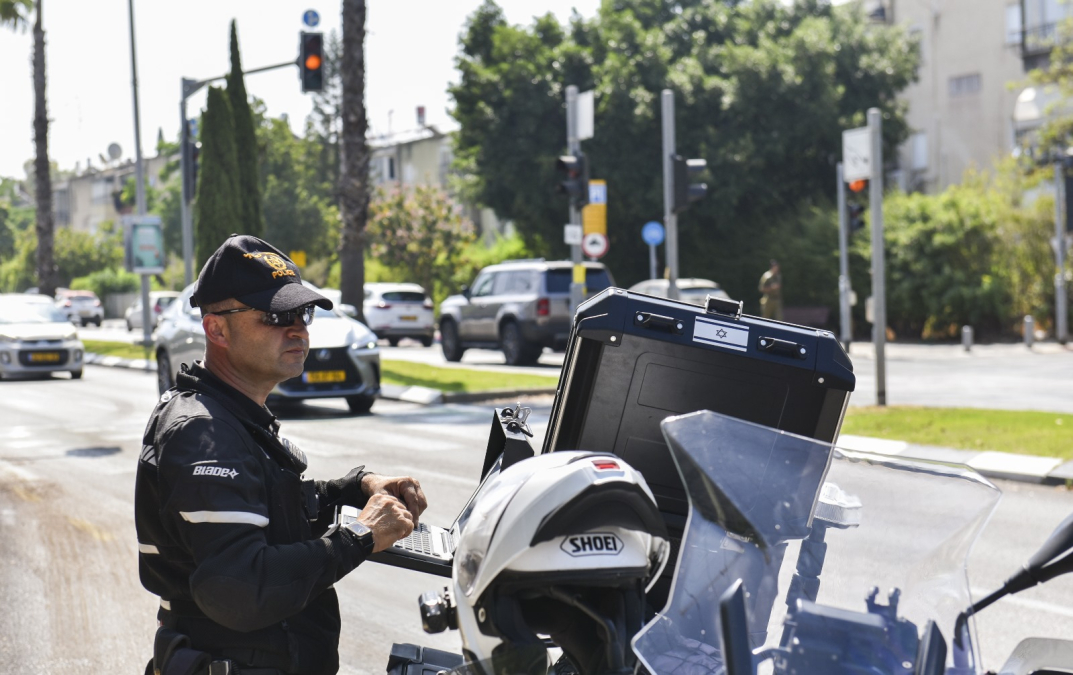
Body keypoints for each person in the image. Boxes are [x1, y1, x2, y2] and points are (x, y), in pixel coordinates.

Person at [135, 234, 426, 675]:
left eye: (301, 312)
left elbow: (265, 502)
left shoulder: (232, 414)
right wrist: (360, 537)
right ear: (216, 328)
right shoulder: (203, 431)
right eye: (274, 315)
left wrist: (355, 488)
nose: (298, 329)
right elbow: (241, 588)